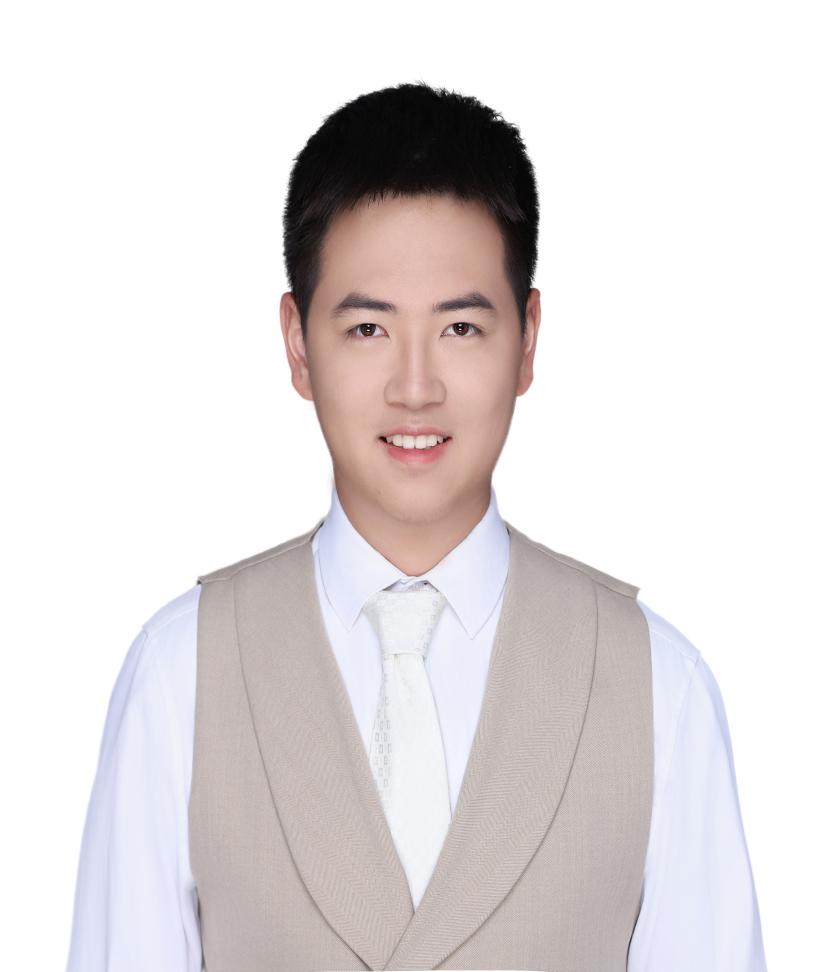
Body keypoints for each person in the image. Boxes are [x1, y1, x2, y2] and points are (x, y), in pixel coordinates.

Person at [64, 82, 767, 971]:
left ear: (527, 339)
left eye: (460, 328)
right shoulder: (181, 672)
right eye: (367, 329)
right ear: (297, 343)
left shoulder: (658, 684)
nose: (414, 387)